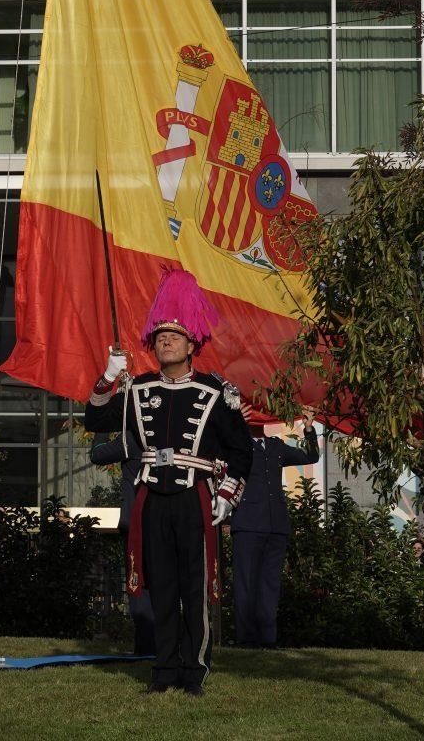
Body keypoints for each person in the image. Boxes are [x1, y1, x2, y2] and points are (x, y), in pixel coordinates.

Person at [84, 268, 252, 696]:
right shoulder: (138, 389)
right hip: (151, 498)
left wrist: (228, 493)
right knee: (160, 587)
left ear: (192, 344)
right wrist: (109, 375)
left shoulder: (215, 392)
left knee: (195, 589)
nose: (166, 342)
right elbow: (95, 418)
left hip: (195, 497)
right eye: (160, 336)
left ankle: (194, 671)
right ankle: (163, 671)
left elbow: (241, 450)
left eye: (175, 336)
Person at [230, 407, 319, 649]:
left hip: (276, 525)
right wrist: (236, 422)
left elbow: (310, 457)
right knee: (246, 584)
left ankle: (268, 639)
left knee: (270, 584)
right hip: (248, 524)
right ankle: (246, 639)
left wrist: (308, 428)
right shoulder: (236, 443)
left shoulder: (276, 446)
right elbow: (217, 449)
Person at [90, 433, 156, 655]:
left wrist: (101, 429)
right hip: (164, 522)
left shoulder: (132, 437)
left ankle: (146, 646)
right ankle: (166, 645)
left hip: (136, 522)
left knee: (138, 584)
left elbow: (98, 454)